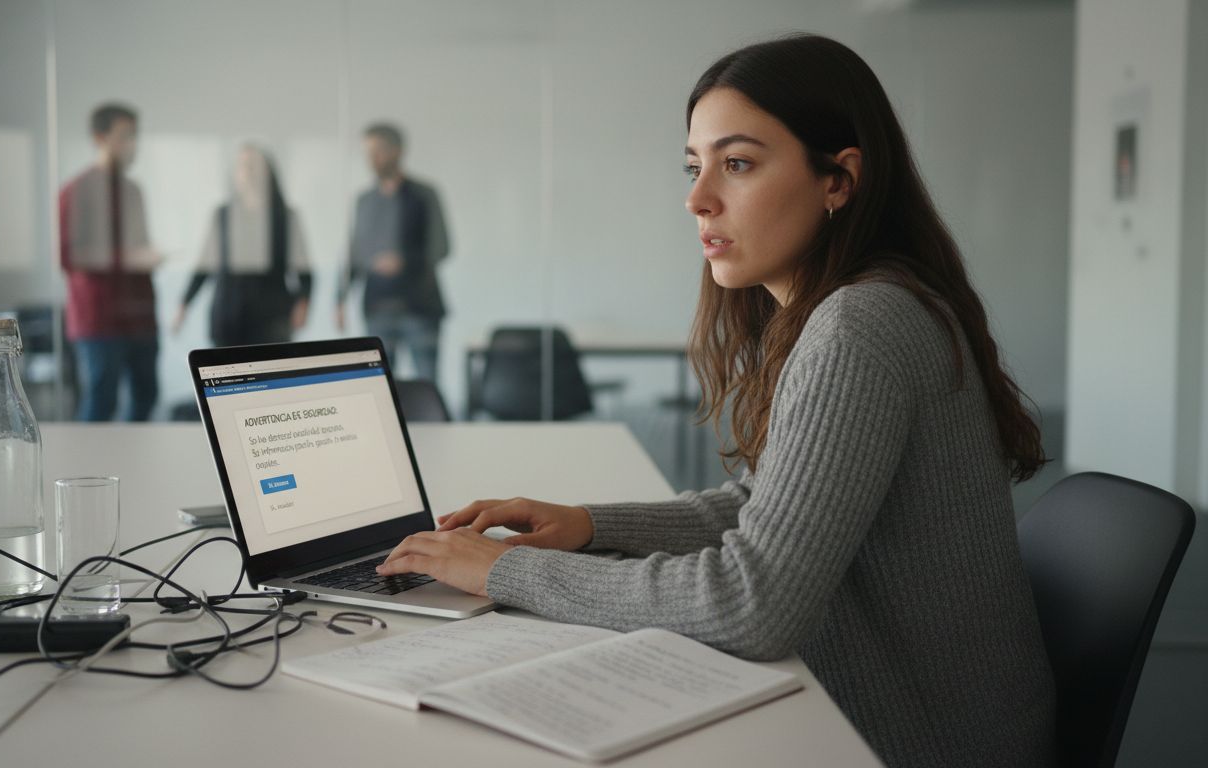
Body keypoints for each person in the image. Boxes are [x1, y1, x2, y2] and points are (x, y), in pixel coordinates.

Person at [377, 34, 1057, 767]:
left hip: (920, 743)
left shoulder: (860, 325)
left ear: (839, 179)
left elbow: (751, 604)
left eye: (737, 164)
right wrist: (586, 524)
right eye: (695, 166)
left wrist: (501, 571)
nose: (697, 198)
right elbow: (761, 505)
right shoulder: (859, 305)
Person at [59, 103, 162, 422]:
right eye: (124, 136)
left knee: (147, 396)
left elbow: (140, 245)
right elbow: (69, 256)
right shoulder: (77, 191)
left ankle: (132, 465)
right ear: (100, 137)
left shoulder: (133, 191)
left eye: (134, 135)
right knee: (100, 403)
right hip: (99, 319)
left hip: (140, 316)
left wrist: (147, 258)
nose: (132, 144)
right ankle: (89, 472)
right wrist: (128, 259)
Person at [335, 123, 450, 381]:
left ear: (396, 152)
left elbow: (441, 247)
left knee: (427, 383)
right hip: (378, 307)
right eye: (368, 152)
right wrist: (340, 299)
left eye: (378, 151)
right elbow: (354, 253)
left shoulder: (423, 196)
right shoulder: (364, 201)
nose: (372, 159)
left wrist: (404, 261)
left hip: (419, 306)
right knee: (382, 387)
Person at [173, 145, 313, 346]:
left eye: (254, 166)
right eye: (243, 166)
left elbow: (304, 270)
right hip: (229, 312)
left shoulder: (285, 217)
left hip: (272, 314)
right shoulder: (223, 215)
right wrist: (184, 305)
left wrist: (303, 303)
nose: (248, 172)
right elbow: (204, 265)